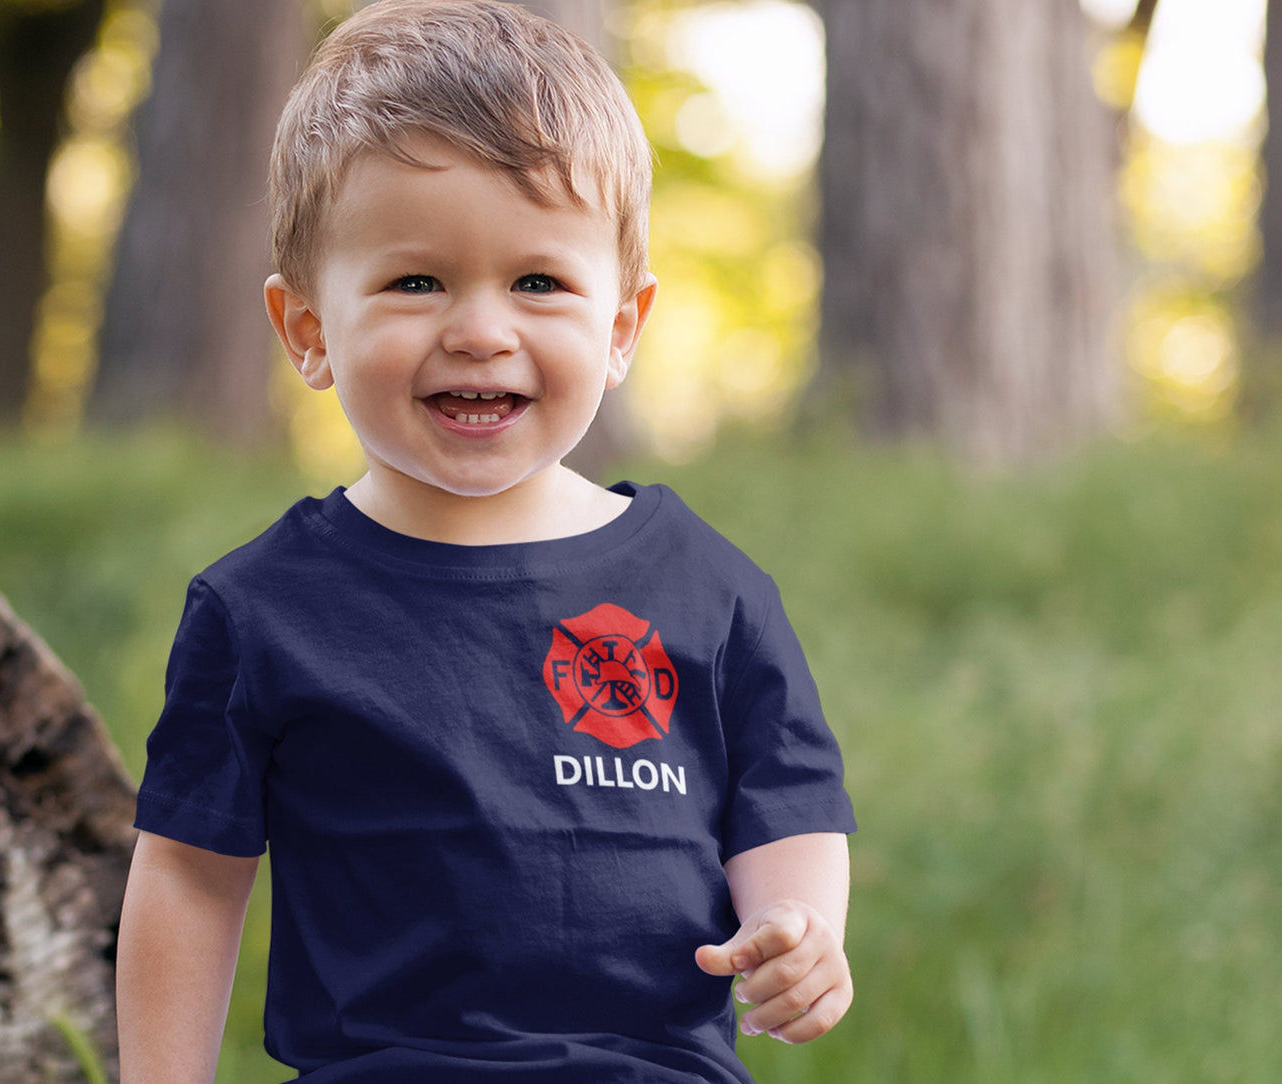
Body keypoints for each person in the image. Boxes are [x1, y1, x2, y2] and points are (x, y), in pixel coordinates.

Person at [114, 2, 857, 1081]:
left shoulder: (706, 587)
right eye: (415, 281)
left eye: (538, 282)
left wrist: (797, 923)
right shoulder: (260, 611)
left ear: (619, 329)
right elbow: (187, 873)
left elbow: (781, 803)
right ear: (309, 331)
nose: (478, 327)